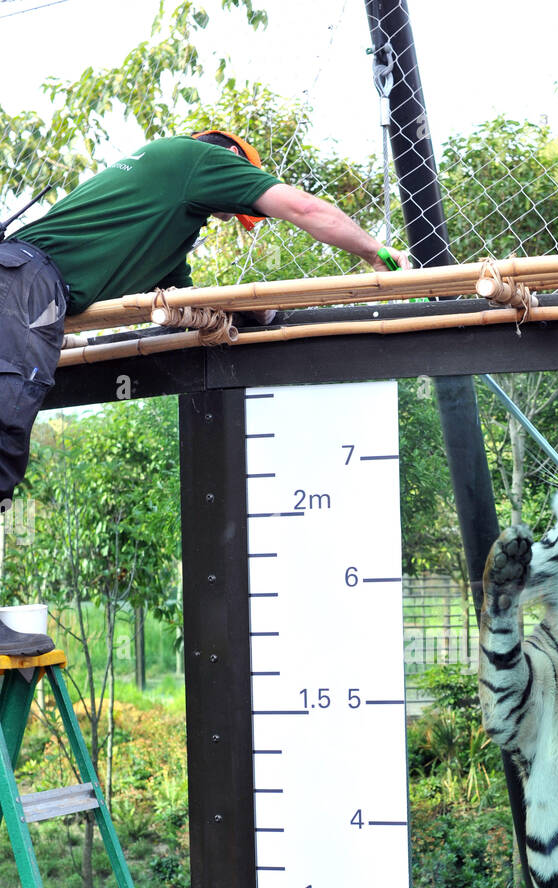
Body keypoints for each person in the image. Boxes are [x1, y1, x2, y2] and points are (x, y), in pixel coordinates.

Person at [0, 129, 410, 655]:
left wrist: (250, 312)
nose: (223, 216)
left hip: (27, 284)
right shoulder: (196, 157)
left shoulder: (167, 222)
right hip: (25, 284)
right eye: (231, 205)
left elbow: (181, 303)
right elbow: (301, 207)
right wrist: (374, 250)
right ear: (230, 159)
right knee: (6, 427)